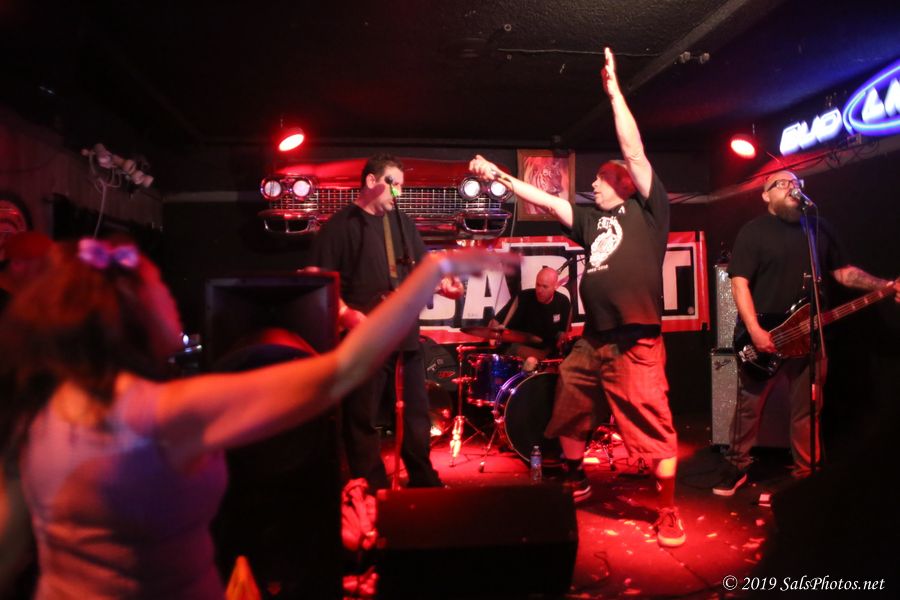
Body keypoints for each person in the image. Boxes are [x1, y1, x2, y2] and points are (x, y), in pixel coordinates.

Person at [0, 236, 508, 597]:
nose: (171, 297)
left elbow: (7, 548)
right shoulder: (166, 415)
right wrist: (434, 270)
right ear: (131, 311)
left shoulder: (38, 414)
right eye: (158, 286)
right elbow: (342, 372)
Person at [469, 47, 684, 548]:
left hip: (635, 340)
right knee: (568, 405)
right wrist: (498, 175)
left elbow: (634, 151)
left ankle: (669, 510)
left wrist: (614, 93)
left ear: (622, 182)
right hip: (594, 340)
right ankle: (576, 477)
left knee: (653, 425)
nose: (591, 184)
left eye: (599, 178)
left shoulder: (648, 210)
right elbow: (545, 200)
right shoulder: (590, 220)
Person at [712, 170, 900, 496]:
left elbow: (843, 273)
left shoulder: (817, 227)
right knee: (748, 409)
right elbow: (739, 282)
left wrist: (886, 286)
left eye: (796, 183)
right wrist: (754, 330)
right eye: (781, 183)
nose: (791, 187)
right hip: (766, 336)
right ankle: (736, 466)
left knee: (808, 410)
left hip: (810, 336)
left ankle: (806, 476)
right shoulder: (754, 231)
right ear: (765, 195)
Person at [312, 154, 465, 490]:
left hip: (404, 335)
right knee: (361, 416)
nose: (399, 193)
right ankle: (372, 486)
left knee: (416, 414)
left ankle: (423, 479)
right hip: (363, 339)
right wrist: (345, 314)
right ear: (371, 181)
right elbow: (320, 280)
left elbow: (423, 270)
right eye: (393, 184)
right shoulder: (339, 226)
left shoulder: (402, 223)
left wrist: (445, 285)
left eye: (401, 186)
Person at [488, 266, 571, 369]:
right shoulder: (523, 298)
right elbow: (495, 321)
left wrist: (561, 342)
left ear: (555, 286)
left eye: (545, 287)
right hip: (520, 349)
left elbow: (563, 333)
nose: (539, 290)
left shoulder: (563, 302)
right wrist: (494, 332)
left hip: (548, 350)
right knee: (531, 359)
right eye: (538, 285)